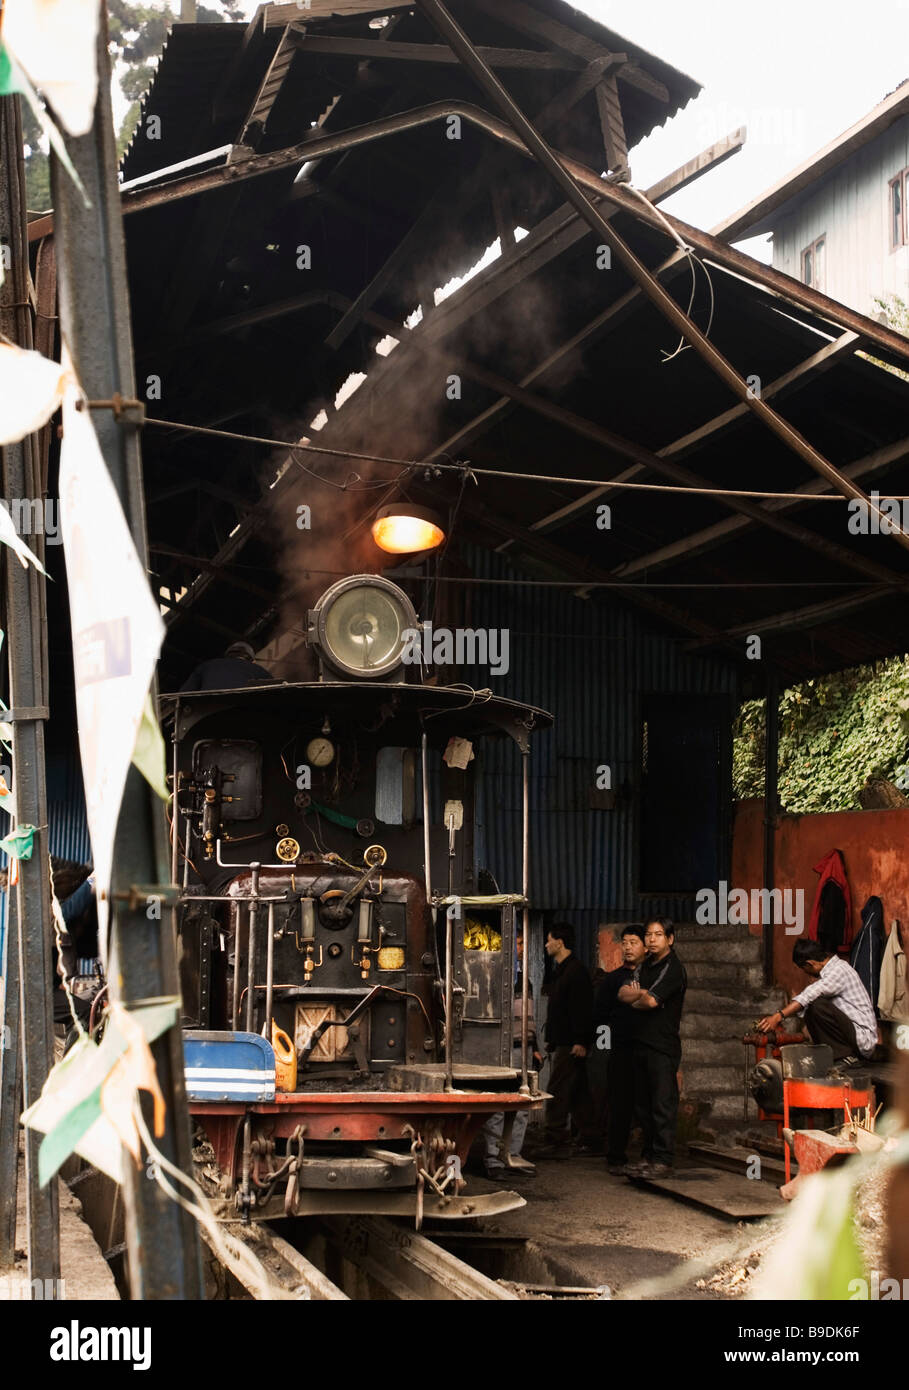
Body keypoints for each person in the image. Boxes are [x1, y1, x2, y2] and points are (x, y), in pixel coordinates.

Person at [622, 918, 687, 1180]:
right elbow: (624, 994)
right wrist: (640, 997)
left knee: (662, 1105)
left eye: (658, 935)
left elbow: (649, 1001)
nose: (651, 939)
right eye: (649, 935)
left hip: (662, 1046)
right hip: (640, 1043)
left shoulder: (673, 968)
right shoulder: (645, 965)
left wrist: (640, 998)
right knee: (644, 1107)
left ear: (669, 939)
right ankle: (648, 1157)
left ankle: (663, 1160)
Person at [481, 926, 542, 1181]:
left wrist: (535, 1048)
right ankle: (493, 1159)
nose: (519, 948)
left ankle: (512, 1156)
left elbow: (528, 1018)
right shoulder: (491, 976)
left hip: (524, 1051)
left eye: (521, 944)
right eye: (515, 943)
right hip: (501, 1052)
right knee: (498, 1105)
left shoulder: (524, 979)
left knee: (522, 1105)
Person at [758, 938, 878, 1065]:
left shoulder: (839, 970)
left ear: (810, 964)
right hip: (852, 1035)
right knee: (811, 1008)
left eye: (804, 969)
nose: (807, 974)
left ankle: (846, 1057)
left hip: (863, 1039)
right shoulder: (832, 970)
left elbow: (809, 994)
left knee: (817, 1005)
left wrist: (777, 1017)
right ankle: (833, 1055)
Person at [535, 921, 595, 1157]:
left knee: (557, 1090)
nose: (546, 944)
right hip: (565, 1042)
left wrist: (581, 1041)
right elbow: (561, 1011)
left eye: (548, 940)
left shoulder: (575, 971)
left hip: (572, 1044)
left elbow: (582, 1010)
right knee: (578, 1091)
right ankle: (591, 1137)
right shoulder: (563, 970)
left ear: (559, 943)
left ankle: (556, 1141)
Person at [594, 924, 647, 1175]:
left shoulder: (653, 975)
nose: (627, 947)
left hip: (648, 1047)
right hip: (621, 1049)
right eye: (624, 942)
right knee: (620, 1103)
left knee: (648, 1102)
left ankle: (650, 1155)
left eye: (633, 942)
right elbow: (600, 1013)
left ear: (645, 946)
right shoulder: (613, 978)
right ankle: (616, 1156)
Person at [180, 641, 273, 692]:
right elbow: (279, 692)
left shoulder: (206, 665)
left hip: (205, 715)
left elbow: (183, 693)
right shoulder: (258, 670)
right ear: (252, 661)